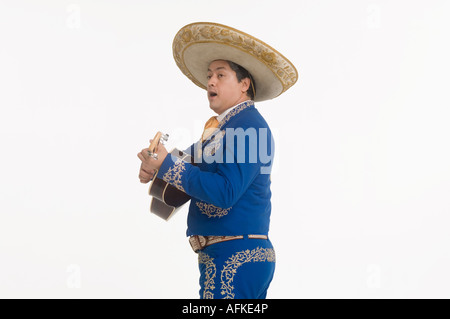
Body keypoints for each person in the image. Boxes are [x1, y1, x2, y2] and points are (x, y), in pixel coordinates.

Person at [137, 22, 298, 299]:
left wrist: (165, 165)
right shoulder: (218, 132)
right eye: (210, 75)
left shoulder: (249, 127)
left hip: (237, 258)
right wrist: (155, 166)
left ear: (244, 84)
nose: (210, 81)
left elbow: (225, 192)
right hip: (226, 256)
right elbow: (183, 167)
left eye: (220, 75)